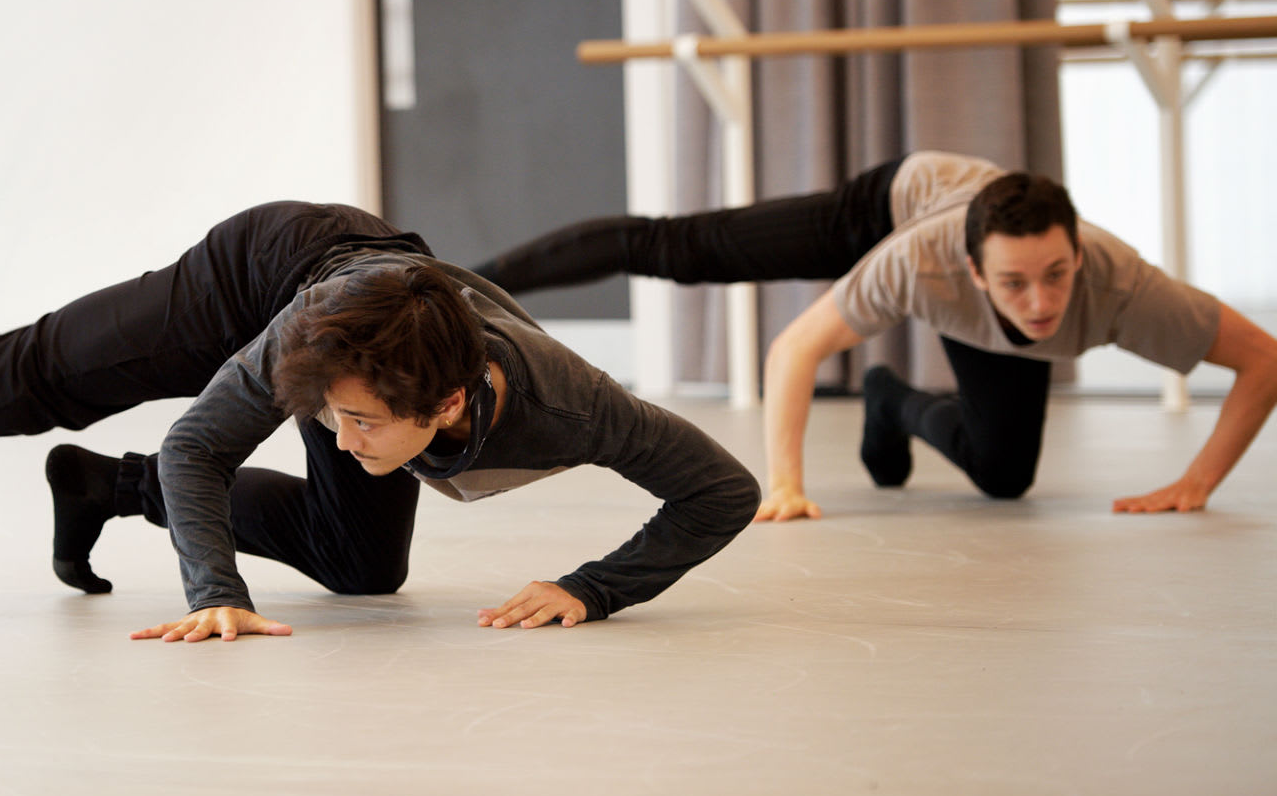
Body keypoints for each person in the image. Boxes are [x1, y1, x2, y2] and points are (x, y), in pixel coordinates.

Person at [0, 201, 759, 641]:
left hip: (377, 322)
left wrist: (594, 587)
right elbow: (203, 439)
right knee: (19, 379)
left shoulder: (573, 403)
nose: (338, 440)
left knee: (363, 570)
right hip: (264, 272)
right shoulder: (311, 357)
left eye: (360, 425)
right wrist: (216, 593)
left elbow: (722, 489)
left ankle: (108, 488)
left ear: (452, 406)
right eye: (328, 419)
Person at [472, 152, 1277, 522]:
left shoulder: (1126, 286)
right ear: (973, 271)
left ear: (1077, 256)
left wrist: (1198, 481)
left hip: (961, 260)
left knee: (1004, 478)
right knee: (684, 249)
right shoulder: (920, 261)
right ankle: (459, 280)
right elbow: (796, 348)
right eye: (1015, 284)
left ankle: (889, 401)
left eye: (1058, 275)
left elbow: (1263, 360)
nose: (1041, 304)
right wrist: (785, 484)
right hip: (889, 208)